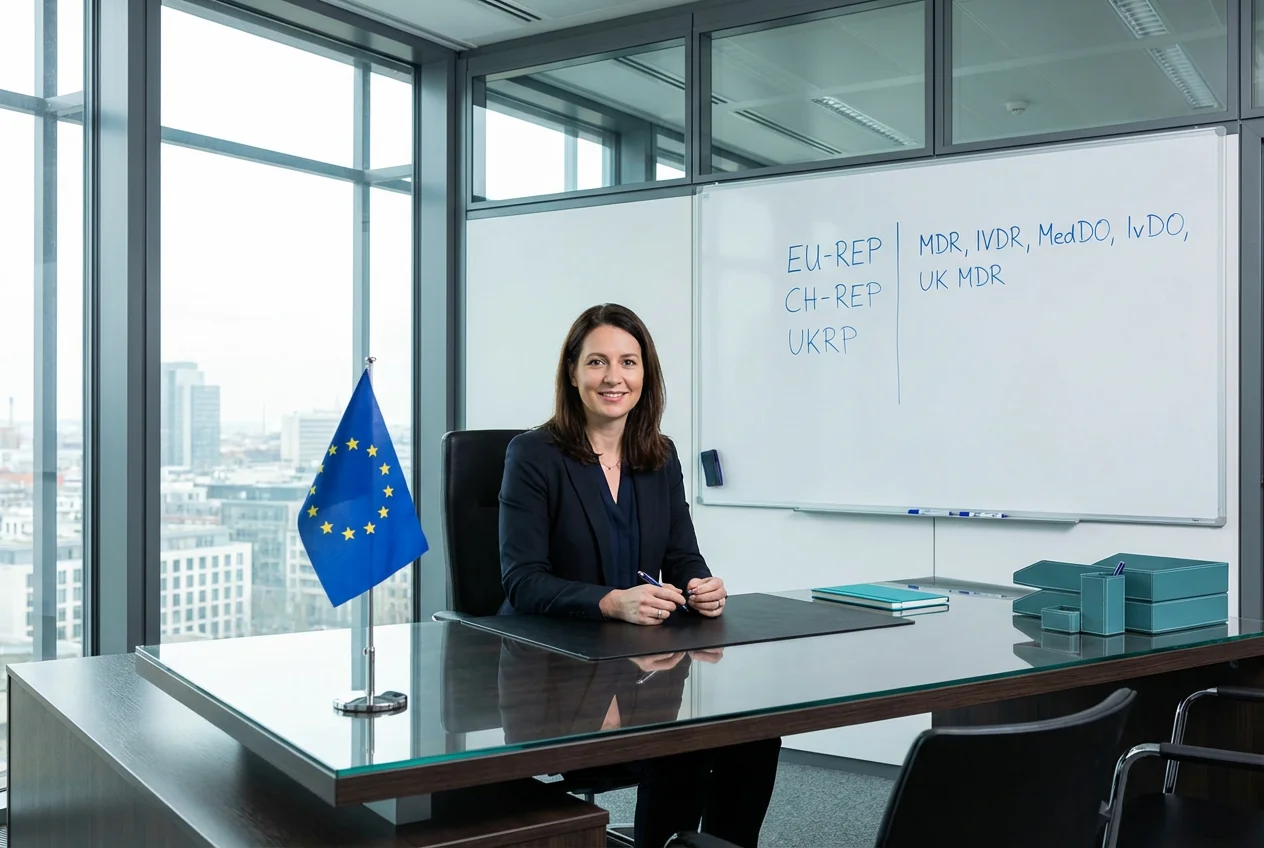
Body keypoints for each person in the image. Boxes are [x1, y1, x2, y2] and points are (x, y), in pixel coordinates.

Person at [498, 302, 781, 848]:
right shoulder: (533, 455)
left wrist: (703, 585)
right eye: (597, 362)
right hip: (559, 668)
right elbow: (522, 580)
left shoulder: (660, 454)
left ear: (645, 374)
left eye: (628, 362)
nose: (613, 377)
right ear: (573, 373)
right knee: (681, 746)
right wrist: (612, 602)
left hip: (648, 660)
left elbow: (682, 555)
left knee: (754, 731)